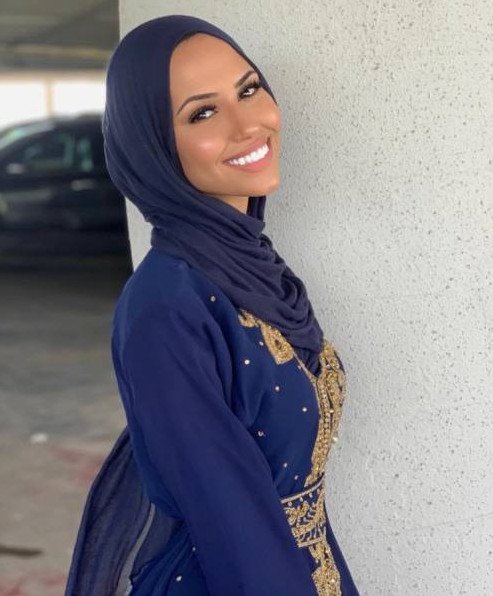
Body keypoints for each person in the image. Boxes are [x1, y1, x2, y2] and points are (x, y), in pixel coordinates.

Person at [65, 14, 360, 596]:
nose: (249, 124)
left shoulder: (253, 269)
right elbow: (231, 524)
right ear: (153, 146)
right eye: (202, 113)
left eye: (248, 90)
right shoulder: (166, 309)